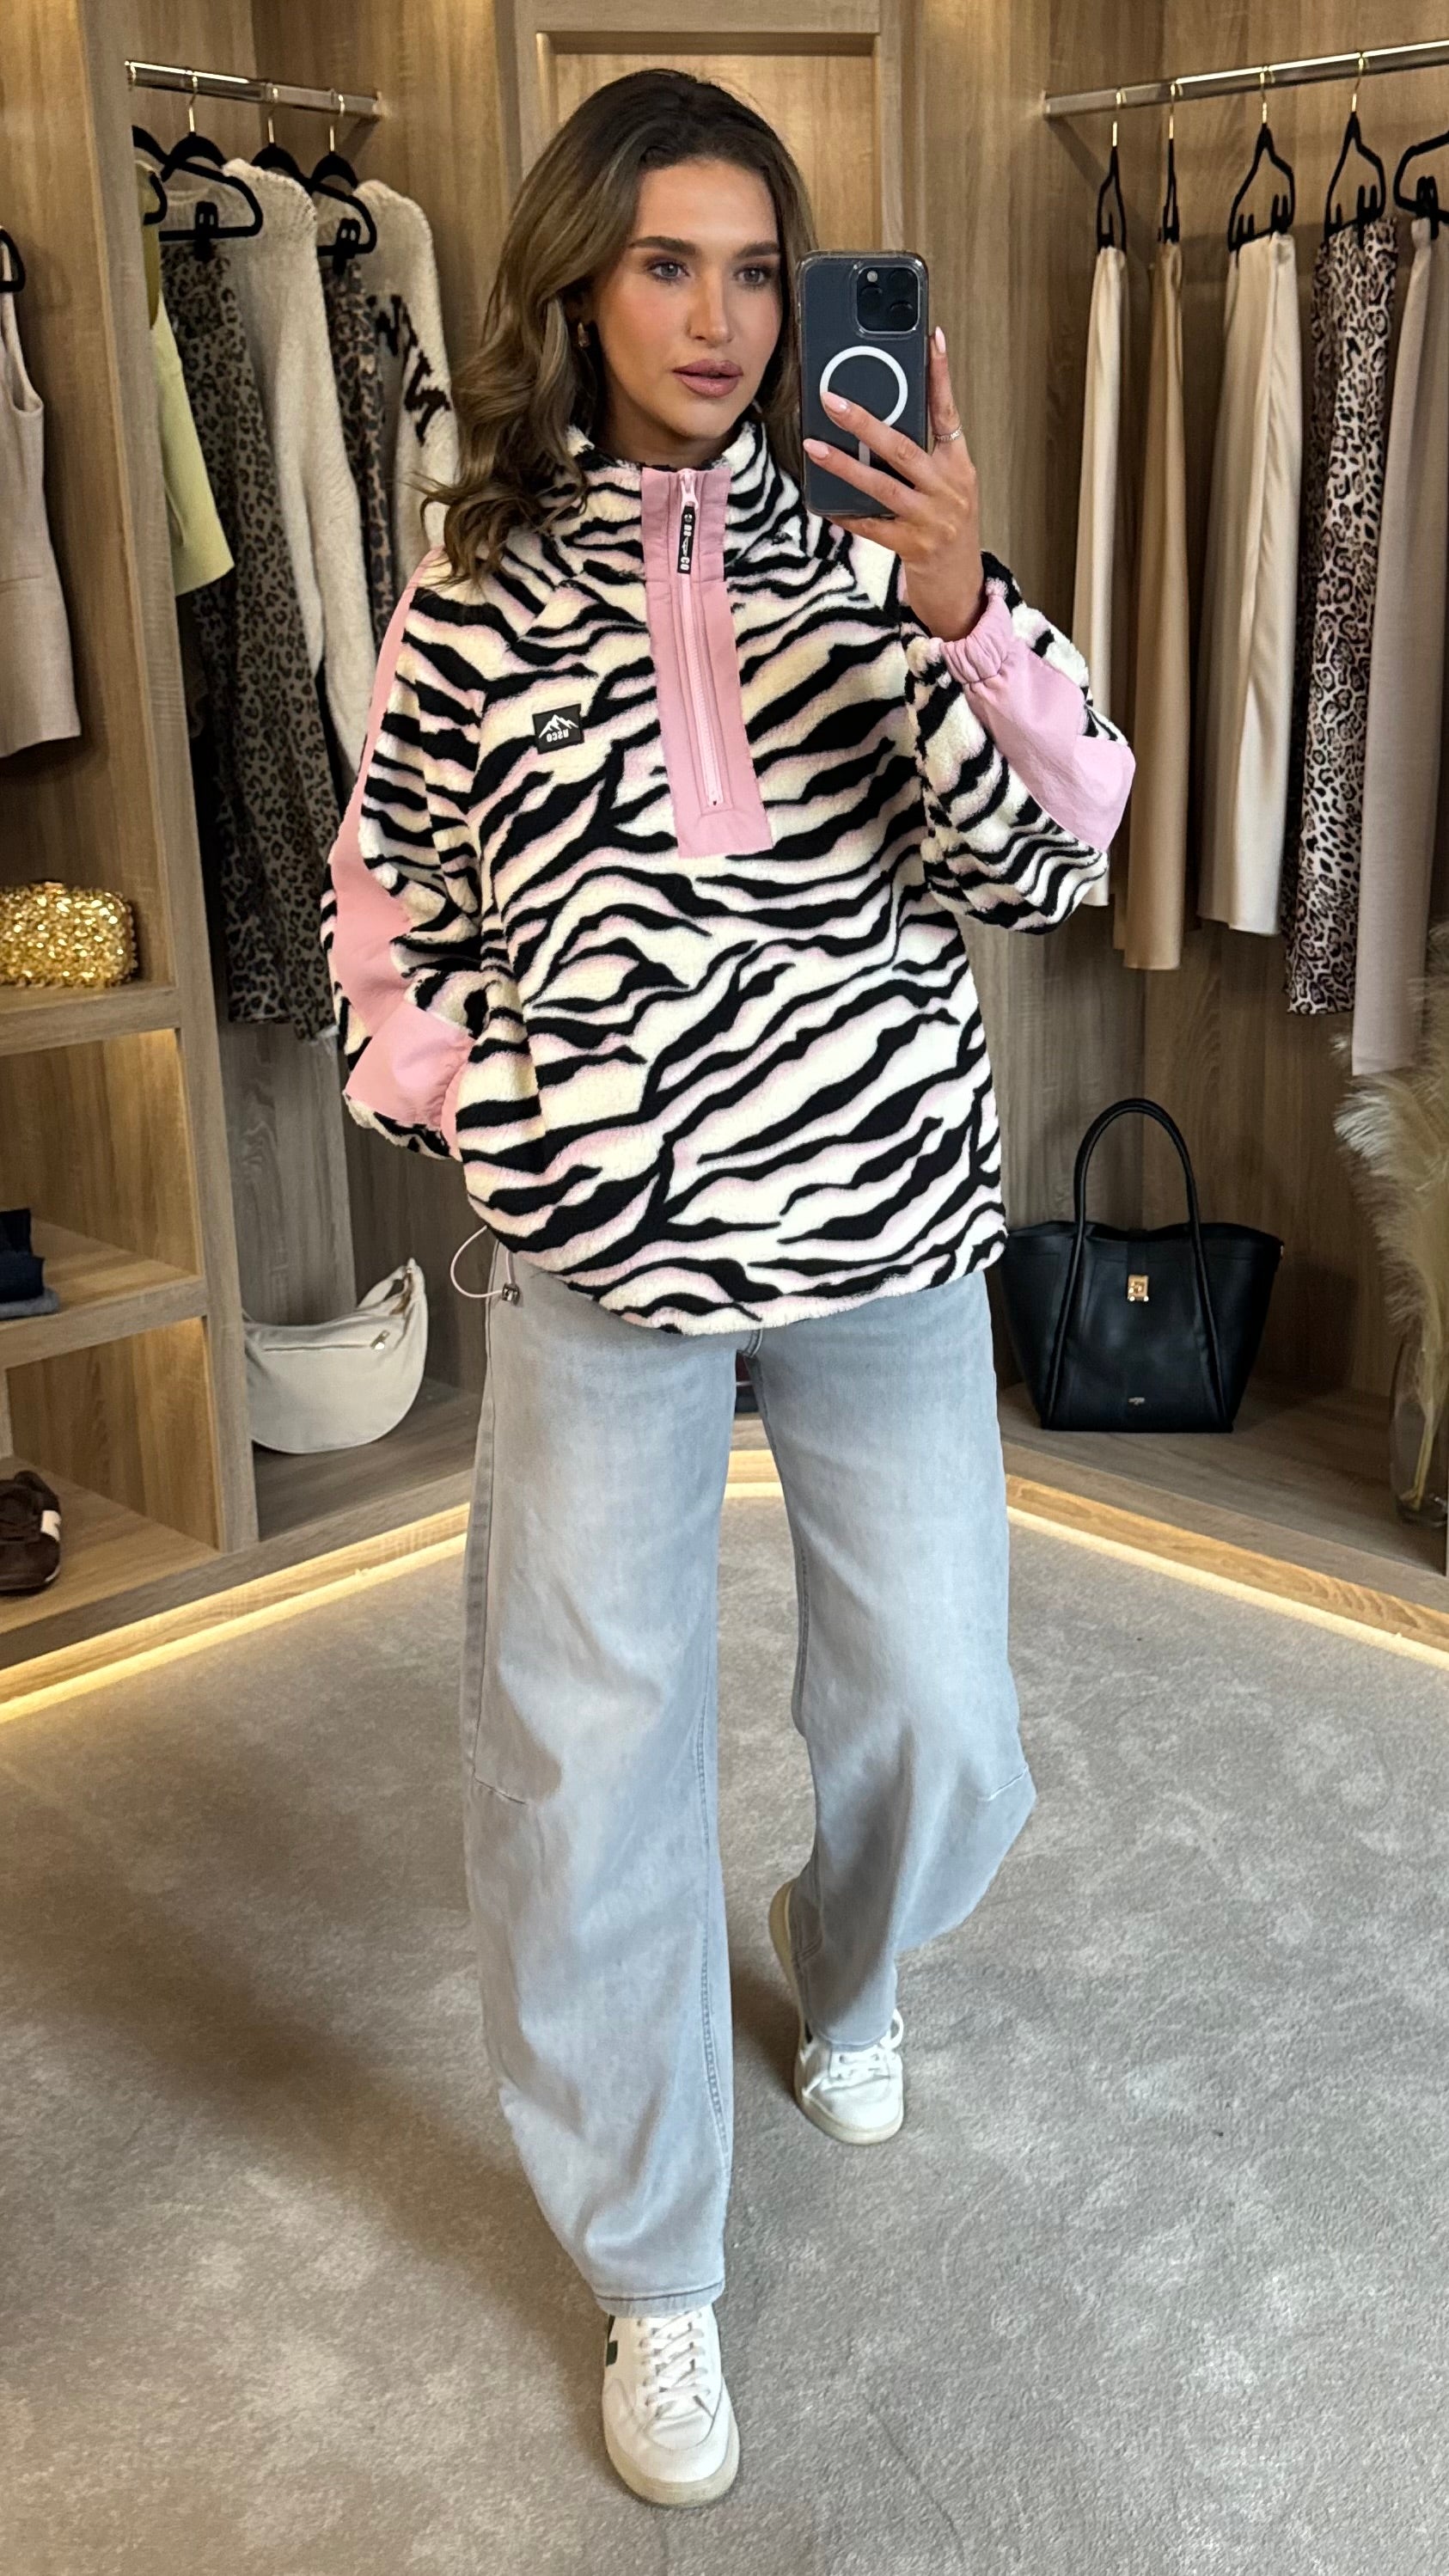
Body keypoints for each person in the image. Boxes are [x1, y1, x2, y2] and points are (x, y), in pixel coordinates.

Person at [321, 68, 1134, 2512]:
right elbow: (386, 912)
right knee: (590, 1758)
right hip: (601, 1265)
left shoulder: (887, 557)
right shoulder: (471, 595)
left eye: (759, 269)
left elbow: (1057, 856)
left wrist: (962, 610)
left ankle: (847, 1963)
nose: (718, 315)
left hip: (883, 1228)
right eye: (666, 262)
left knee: (945, 1716)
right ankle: (652, 2260)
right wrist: (490, 1102)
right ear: (580, 285)